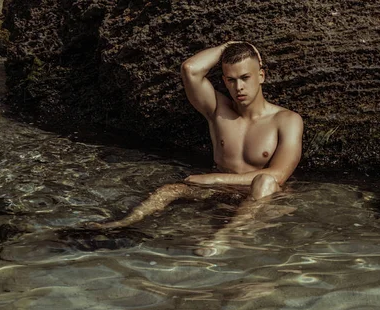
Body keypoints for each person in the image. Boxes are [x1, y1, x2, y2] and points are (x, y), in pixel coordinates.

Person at [89, 42, 303, 253]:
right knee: (169, 190)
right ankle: (121, 225)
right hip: (219, 193)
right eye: (231, 80)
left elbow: (278, 176)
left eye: (245, 78)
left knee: (264, 182)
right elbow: (190, 69)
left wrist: (215, 178)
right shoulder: (218, 110)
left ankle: (225, 237)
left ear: (261, 76)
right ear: (224, 81)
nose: (239, 87)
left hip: (262, 197)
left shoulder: (287, 120)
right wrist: (227, 46)